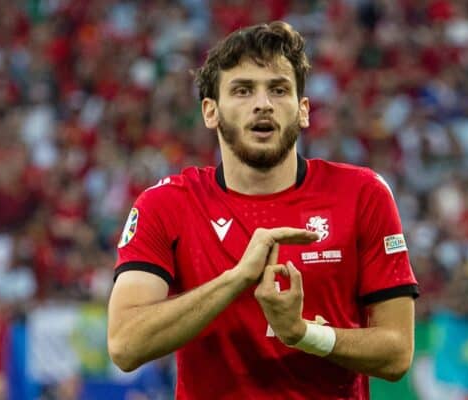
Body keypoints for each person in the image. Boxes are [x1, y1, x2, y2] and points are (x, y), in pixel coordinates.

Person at [107, 21, 419, 400]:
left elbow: (397, 351)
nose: (263, 103)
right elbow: (125, 344)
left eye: (279, 89)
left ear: (302, 110)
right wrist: (238, 278)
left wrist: (304, 335)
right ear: (211, 112)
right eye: (242, 90)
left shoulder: (362, 194)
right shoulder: (167, 204)